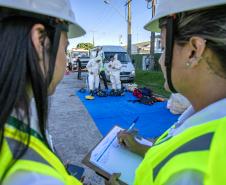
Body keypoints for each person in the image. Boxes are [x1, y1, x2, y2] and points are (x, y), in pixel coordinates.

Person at [107, 1, 226, 184]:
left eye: (163, 47)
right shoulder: (204, 118)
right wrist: (139, 147)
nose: (161, 60)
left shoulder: (198, 164)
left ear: (193, 51)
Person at [0, 0, 86, 184]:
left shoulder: (17, 112)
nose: (65, 58)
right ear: (40, 41)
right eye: (65, 47)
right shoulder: (32, 177)